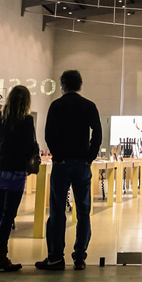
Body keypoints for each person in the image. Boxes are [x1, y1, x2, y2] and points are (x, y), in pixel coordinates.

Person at [37, 69, 102, 271]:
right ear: (80, 85)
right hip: (82, 164)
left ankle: (56, 256)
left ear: (63, 85)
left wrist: (57, 156)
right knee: (83, 211)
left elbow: (49, 134)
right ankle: (80, 257)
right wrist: (89, 158)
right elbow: (97, 134)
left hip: (62, 165)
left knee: (57, 210)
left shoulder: (56, 105)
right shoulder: (89, 106)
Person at [0, 85, 38, 272]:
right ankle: (0, 255)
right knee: (9, 213)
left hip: (0, 168)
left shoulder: (0, 118)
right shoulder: (26, 120)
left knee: (0, 212)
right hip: (16, 170)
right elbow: (29, 146)